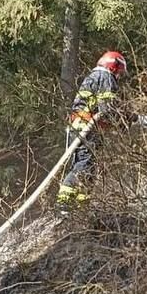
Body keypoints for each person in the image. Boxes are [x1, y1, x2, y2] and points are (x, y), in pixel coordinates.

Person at [57, 50, 130, 210]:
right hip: (85, 128)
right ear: (114, 66)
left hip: (80, 127)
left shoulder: (94, 77)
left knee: (87, 166)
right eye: (119, 71)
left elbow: (102, 112)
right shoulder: (106, 78)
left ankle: (81, 207)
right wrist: (124, 119)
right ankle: (63, 205)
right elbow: (107, 109)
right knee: (84, 164)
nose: (119, 76)